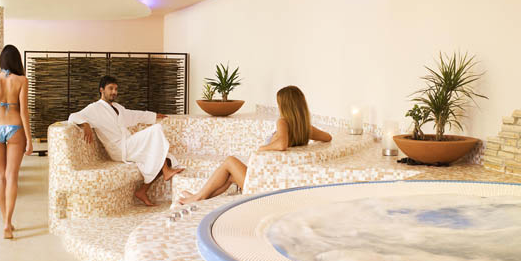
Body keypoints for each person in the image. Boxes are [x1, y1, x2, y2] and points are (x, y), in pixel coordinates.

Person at [179, 85, 331, 203]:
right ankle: (199, 198)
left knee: (230, 161)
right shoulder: (305, 128)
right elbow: (327, 137)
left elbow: (281, 145)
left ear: (285, 105)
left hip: (261, 184)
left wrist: (261, 148)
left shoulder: (283, 122)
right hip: (269, 180)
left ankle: (197, 197)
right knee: (229, 177)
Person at [68, 75, 183, 206]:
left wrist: (154, 115)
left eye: (116, 89)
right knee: (156, 129)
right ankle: (166, 171)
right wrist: (85, 124)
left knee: (165, 157)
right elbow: (73, 116)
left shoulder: (118, 108)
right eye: (110, 88)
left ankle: (142, 191)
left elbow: (136, 115)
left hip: (128, 144)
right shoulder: (94, 108)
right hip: (119, 148)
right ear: (101, 90)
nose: (114, 92)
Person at [0, 44, 33, 239]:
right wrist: (29, 139)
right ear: (17, 61)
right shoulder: (22, 80)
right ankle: (8, 223)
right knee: (11, 176)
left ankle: (5, 222)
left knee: (0, 176)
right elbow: (24, 112)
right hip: (15, 128)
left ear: (1, 61)